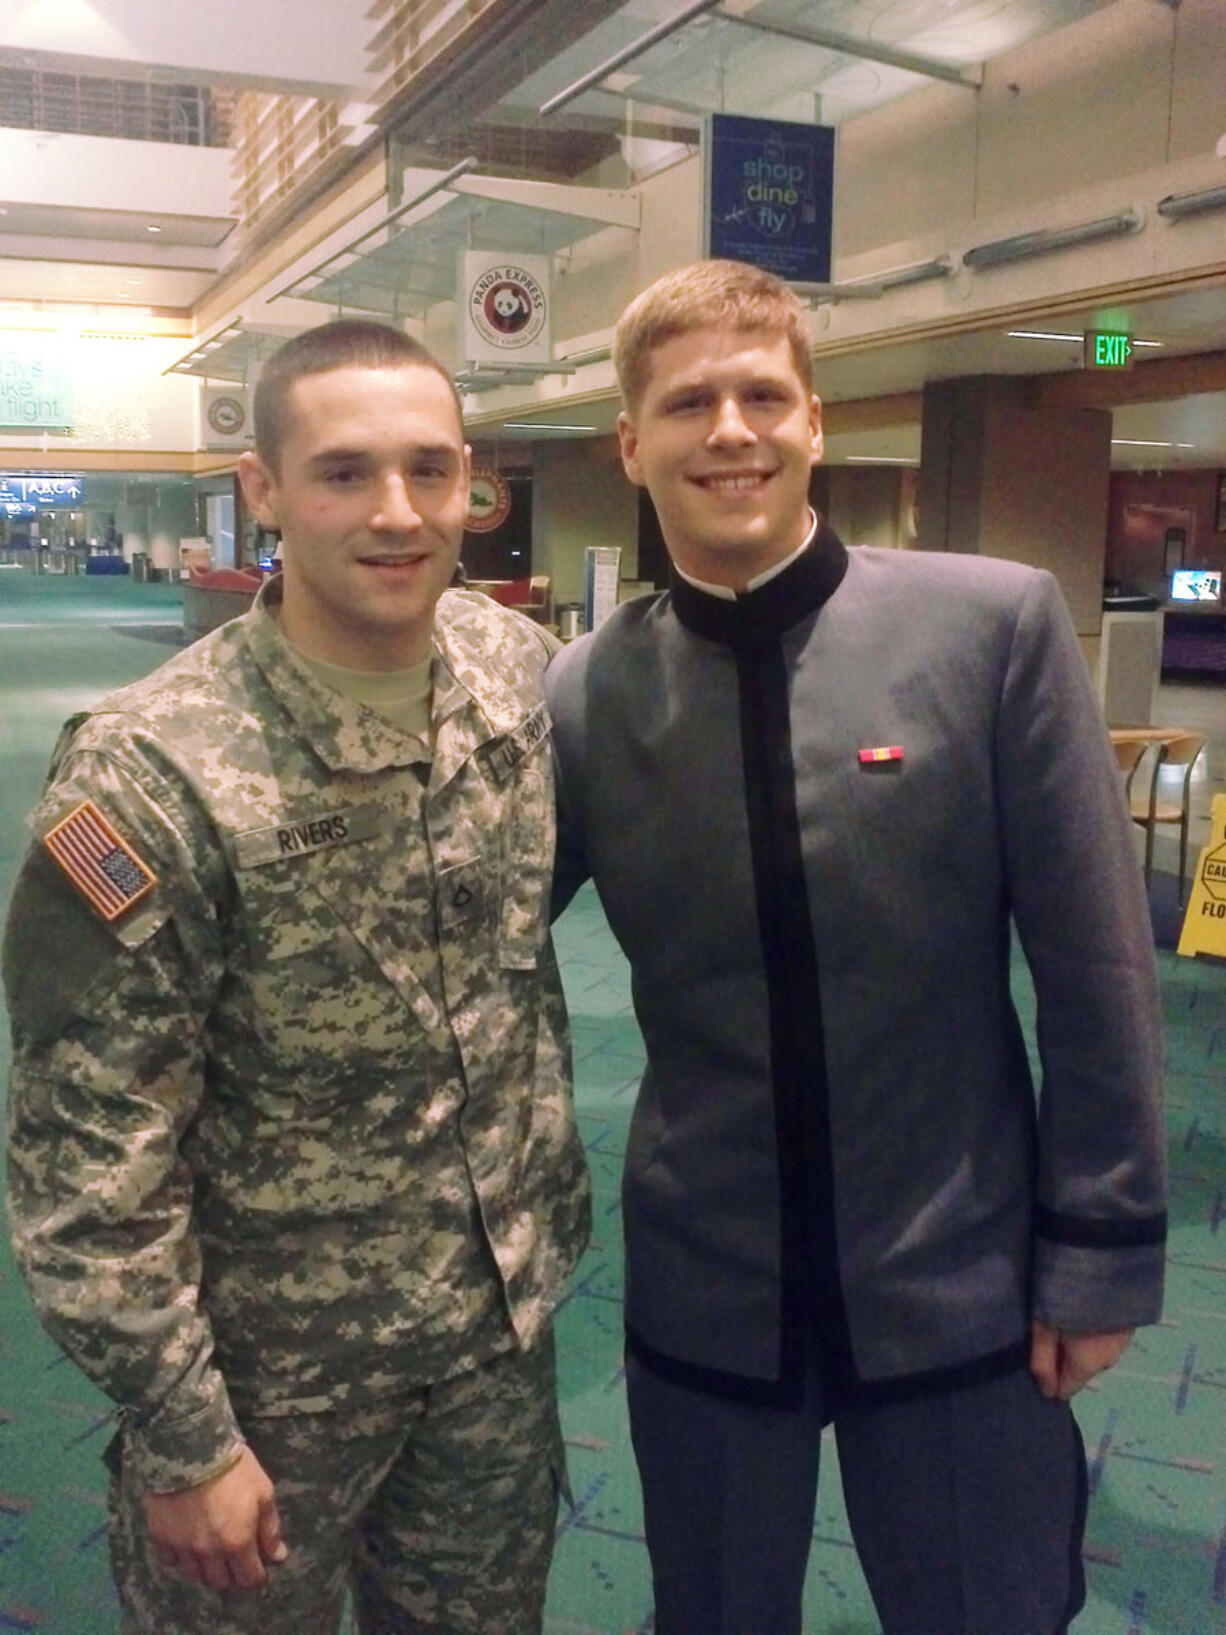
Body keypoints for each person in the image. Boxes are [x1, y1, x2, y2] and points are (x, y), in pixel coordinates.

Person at [545, 259, 1166, 1635]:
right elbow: (472, 940)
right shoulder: (584, 692)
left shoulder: (987, 626)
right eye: (687, 400)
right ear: (629, 442)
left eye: (763, 394)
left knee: (985, 1610)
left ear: (814, 423)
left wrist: (1098, 1251)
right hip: (707, 1277)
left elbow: (1098, 969)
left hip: (960, 1277)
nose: (730, 429)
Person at [4, 318, 590, 1635]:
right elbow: (88, 1146)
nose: (397, 513)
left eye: (429, 470)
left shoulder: (516, 678)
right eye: (343, 473)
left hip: (493, 1345)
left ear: (469, 481)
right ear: (263, 490)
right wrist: (181, 1433)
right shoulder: (153, 772)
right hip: (271, 1383)